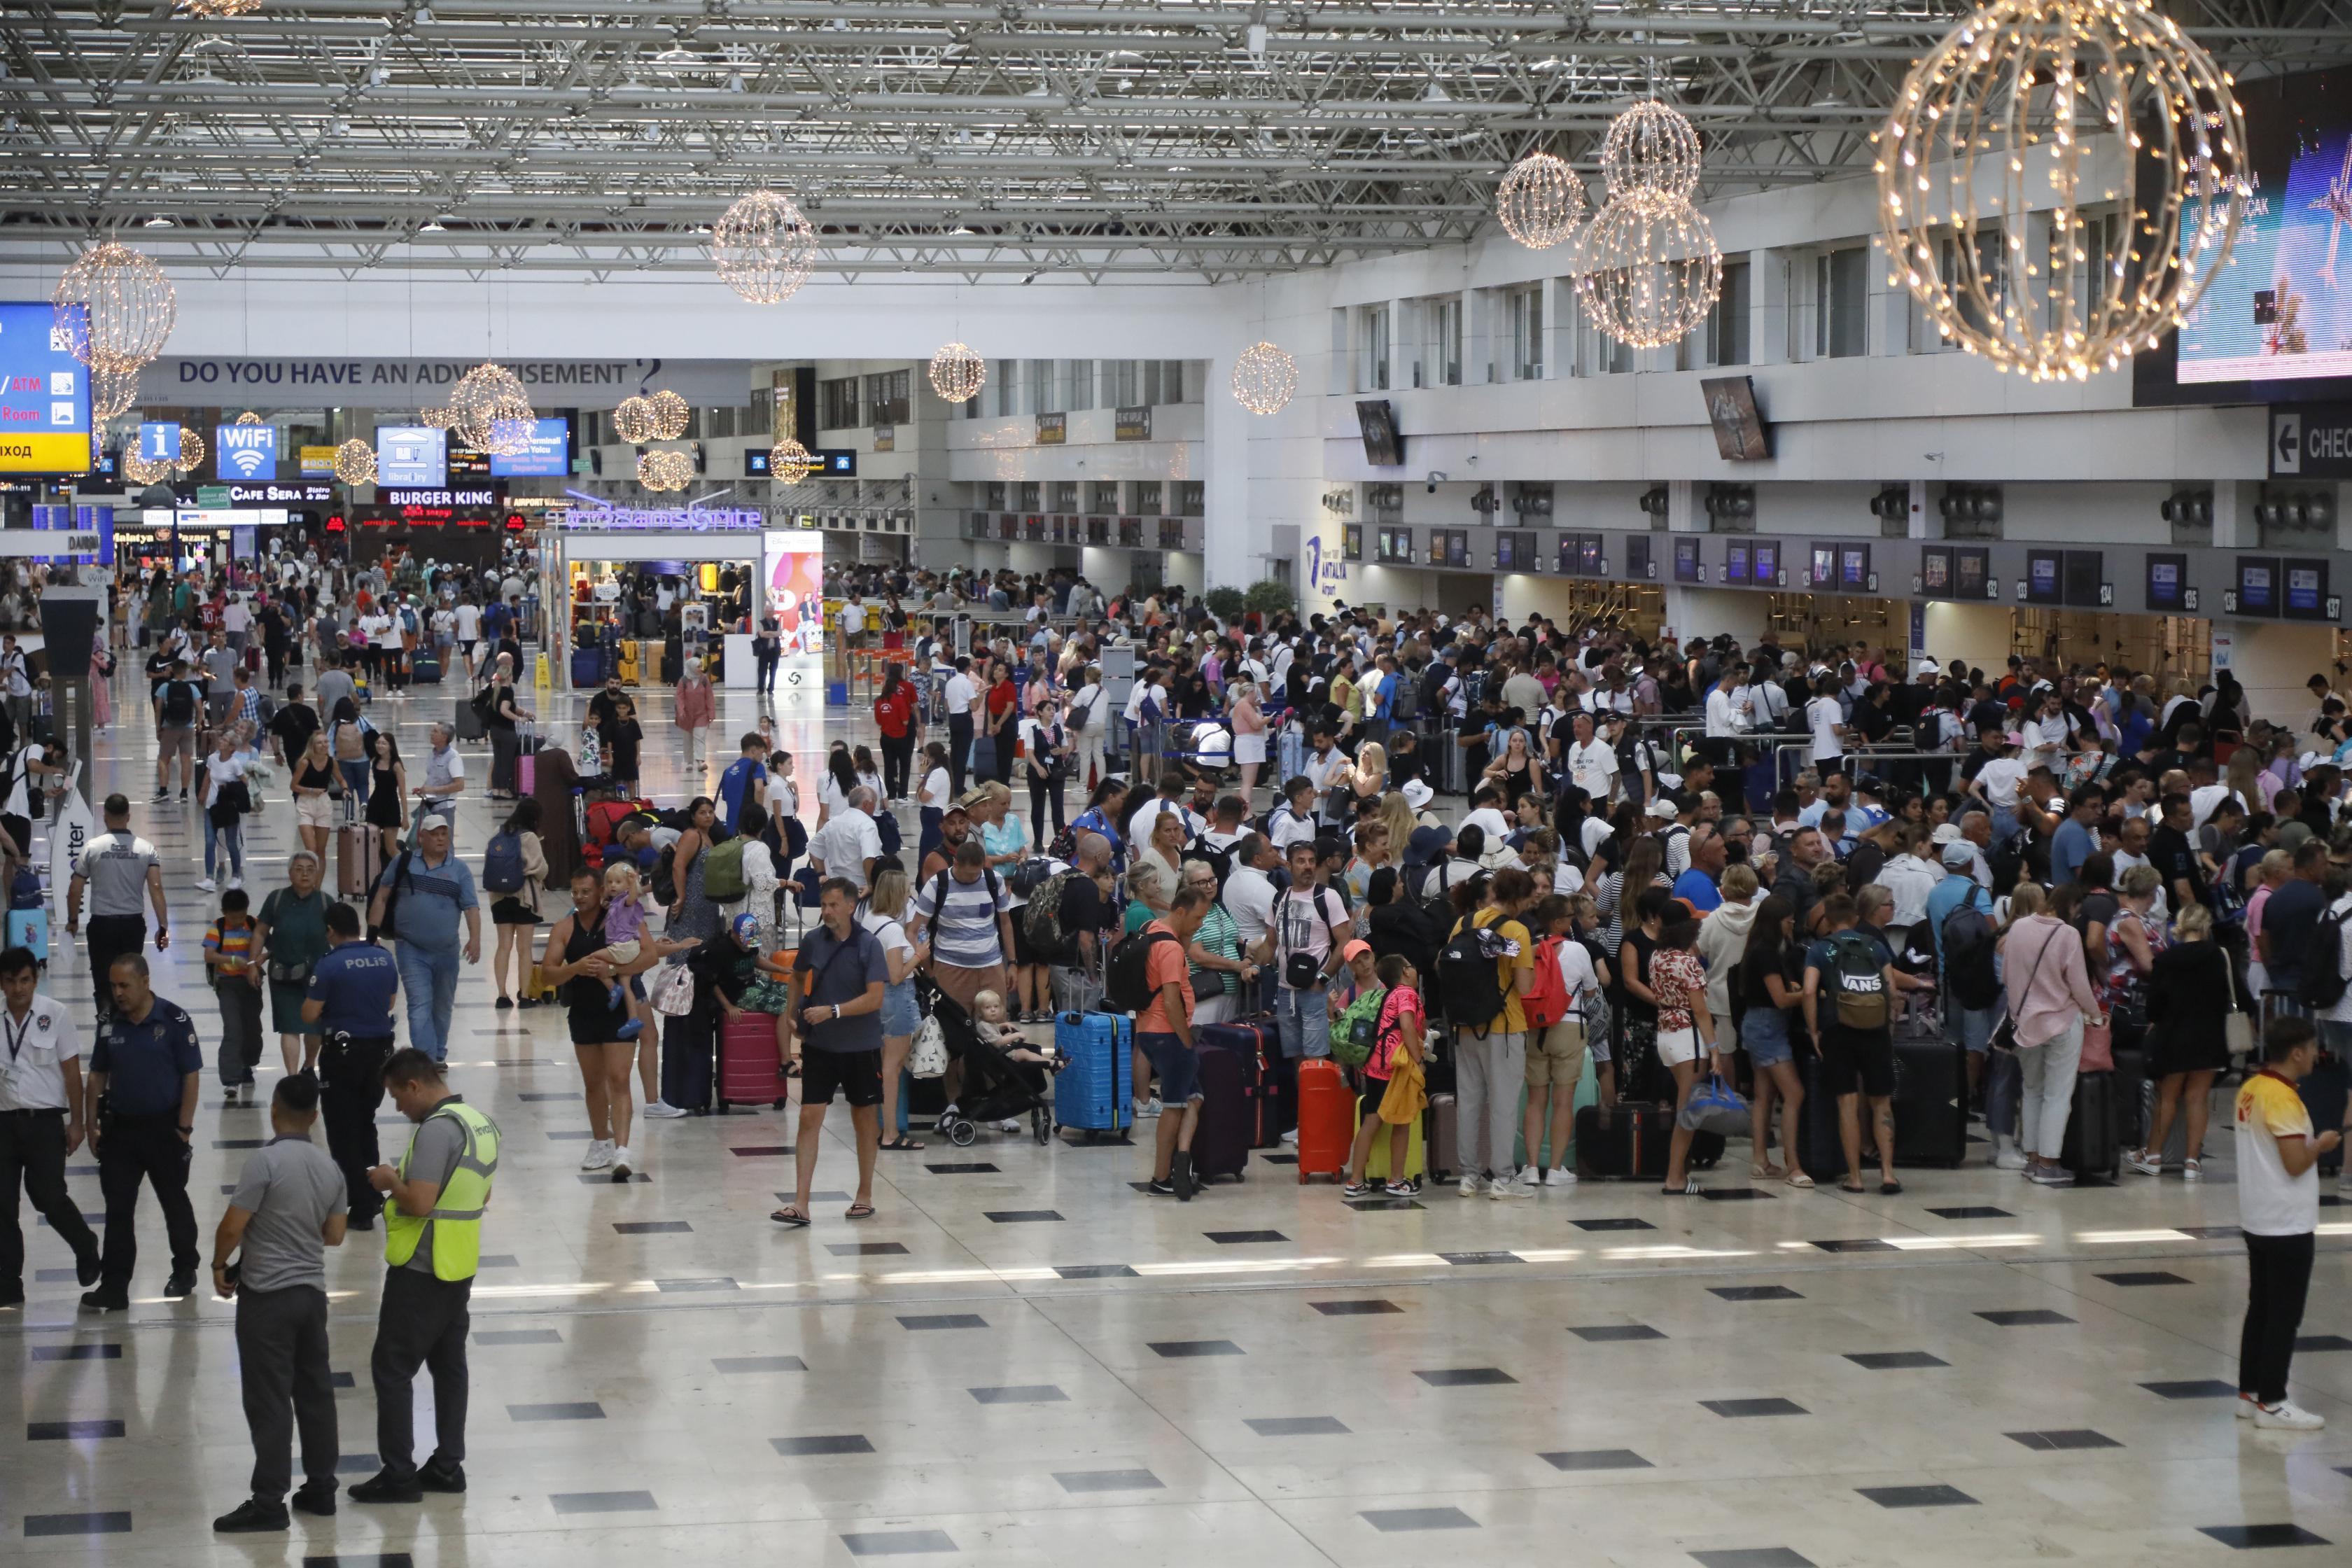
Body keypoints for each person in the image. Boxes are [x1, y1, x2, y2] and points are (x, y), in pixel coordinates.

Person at [348, 1049, 500, 1504]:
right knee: (448, 1366)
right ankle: (448, 1467)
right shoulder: (480, 1124)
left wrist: (388, 1180)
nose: (397, 1107)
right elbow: (480, 1193)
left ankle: (398, 1475)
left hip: (422, 1267)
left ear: (414, 1086)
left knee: (391, 1368)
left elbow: (420, 1203)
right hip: (458, 1265)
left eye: (397, 1096)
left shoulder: (437, 1131)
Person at [207, 1073, 348, 1534]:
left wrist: (218, 1263)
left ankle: (269, 1503)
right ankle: (322, 1490)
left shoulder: (263, 1163)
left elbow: (232, 1225)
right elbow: (335, 1236)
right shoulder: (331, 1168)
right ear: (315, 1116)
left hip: (266, 1298)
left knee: (269, 1400)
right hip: (311, 1296)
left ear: (274, 1109)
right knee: (315, 1394)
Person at [2232, 1015, 2338, 1430]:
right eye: (2313, 1048)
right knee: (2284, 1314)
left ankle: (2250, 1393)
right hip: (2287, 1223)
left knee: (2260, 1307)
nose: (2317, 1054)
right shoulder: (2284, 1099)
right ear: (2297, 1052)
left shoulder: (2251, 1088)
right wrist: (2322, 1145)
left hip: (2258, 1217)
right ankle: (2274, 1401)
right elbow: (2295, 1163)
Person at [81, 953, 202, 1310]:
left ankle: (184, 1268)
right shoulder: (109, 1022)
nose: (118, 993)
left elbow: (191, 1076)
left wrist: (183, 1129)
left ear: (145, 981)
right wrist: (91, 1125)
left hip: (164, 1129)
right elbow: (97, 1074)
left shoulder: (175, 1020)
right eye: (113, 985)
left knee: (173, 1202)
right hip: (121, 1131)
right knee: (118, 1209)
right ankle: (115, 1286)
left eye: (125, 985)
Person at [772, 879, 888, 1227]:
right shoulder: (813, 941)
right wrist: (792, 1013)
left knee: (864, 1120)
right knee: (809, 1117)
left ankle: (864, 1194)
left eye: (833, 905)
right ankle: (801, 1203)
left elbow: (875, 998)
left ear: (851, 906)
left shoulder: (869, 945)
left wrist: (832, 1011)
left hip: (861, 1046)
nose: (826, 912)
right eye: (823, 905)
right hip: (821, 1046)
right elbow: (797, 976)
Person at [0, 946, 102, 1306]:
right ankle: (9, 1281)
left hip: (44, 1123)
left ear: (35, 979)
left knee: (48, 1195)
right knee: (3, 1206)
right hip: (3, 1123)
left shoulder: (54, 1014)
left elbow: (72, 1072)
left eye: (25, 980)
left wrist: (78, 1122)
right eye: (11, 981)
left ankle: (84, 1244)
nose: (19, 989)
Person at [1997, 881, 2107, 1186]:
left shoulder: (2018, 928)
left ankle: (2032, 1159)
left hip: (2024, 1023)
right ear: (2073, 906)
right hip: (2062, 1021)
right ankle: (2049, 1163)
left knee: (2032, 1090)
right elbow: (2079, 984)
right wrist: (2095, 1015)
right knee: (2058, 1095)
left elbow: (2006, 974)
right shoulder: (2068, 934)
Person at [302, 900, 401, 1224]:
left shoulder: (329, 965)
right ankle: (371, 1191)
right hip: (380, 1054)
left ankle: (360, 1205)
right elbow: (389, 1002)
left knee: (343, 1131)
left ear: (330, 930)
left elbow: (310, 1014)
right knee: (365, 1122)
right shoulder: (384, 959)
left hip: (343, 1056)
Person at [1444, 867, 1539, 1196]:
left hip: (1465, 1025)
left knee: (1469, 1102)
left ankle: (1469, 1176)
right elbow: (1525, 987)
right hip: (1505, 1027)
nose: (1528, 907)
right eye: (1527, 901)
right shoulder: (1517, 932)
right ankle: (1503, 1178)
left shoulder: (1463, 923)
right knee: (1503, 1104)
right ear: (1516, 899)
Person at [1250, 840, 1352, 1140]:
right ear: (1290, 865)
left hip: (1315, 991)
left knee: (1317, 1058)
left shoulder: (1328, 897)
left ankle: (1322, 1123)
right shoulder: (1280, 898)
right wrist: (1251, 964)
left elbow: (1344, 941)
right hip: (1286, 991)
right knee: (1296, 1059)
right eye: (1301, 861)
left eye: (1311, 861)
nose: (1307, 866)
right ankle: (1307, 1120)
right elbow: (1270, 944)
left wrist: (1323, 976)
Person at [2131, 902, 2237, 1180]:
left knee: (2167, 1098)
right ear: (2206, 926)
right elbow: (2234, 995)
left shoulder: (2166, 960)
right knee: (2198, 1098)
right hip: (2210, 1035)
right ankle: (2192, 1162)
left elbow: (2154, 1006)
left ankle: (2153, 1155)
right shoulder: (2218, 956)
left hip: (2174, 1035)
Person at [366, 815, 481, 1064]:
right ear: (422, 837)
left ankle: (438, 1052)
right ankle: (426, 1061)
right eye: (435, 834)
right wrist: (372, 936)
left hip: (447, 952)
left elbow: (471, 907)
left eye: (444, 834)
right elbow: (382, 897)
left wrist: (475, 938)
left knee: (442, 1007)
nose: (441, 838)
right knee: (419, 1007)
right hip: (411, 948)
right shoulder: (404, 863)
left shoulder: (459, 870)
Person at [66, 792, 169, 1023]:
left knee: (104, 981)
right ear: (129, 817)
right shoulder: (146, 849)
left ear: (105, 817)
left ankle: (106, 1026)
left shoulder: (92, 848)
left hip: (102, 925)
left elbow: (75, 889)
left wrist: (73, 920)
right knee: (129, 979)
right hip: (133, 924)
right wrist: (163, 927)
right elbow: (156, 888)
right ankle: (130, 1027)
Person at [1137, 886, 1211, 1198]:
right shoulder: (1170, 949)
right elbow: (1171, 1002)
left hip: (1149, 1029)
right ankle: (1161, 1177)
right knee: (1175, 1105)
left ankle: (1183, 1160)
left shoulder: (1150, 928)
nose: (1199, 924)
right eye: (1196, 917)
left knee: (1193, 1097)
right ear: (1180, 911)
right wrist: (1186, 1039)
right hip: (1168, 1033)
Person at [1737, 893, 1812, 1186]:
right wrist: (1808, 994)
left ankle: (1760, 1161)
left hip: (1757, 1024)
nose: (1791, 926)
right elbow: (1781, 999)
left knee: (1765, 1095)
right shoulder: (1767, 952)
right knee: (1794, 1094)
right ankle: (1793, 1165)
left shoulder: (1758, 948)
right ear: (1776, 922)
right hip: (1768, 1027)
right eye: (1788, 921)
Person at [909, 837, 1015, 1017]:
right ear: (955, 863)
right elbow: (916, 930)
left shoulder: (994, 881)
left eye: (978, 873)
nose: (974, 878)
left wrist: (1012, 963)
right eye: (969, 874)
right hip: (950, 969)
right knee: (954, 1029)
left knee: (995, 1028)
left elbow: (1006, 922)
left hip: (991, 966)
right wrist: (928, 971)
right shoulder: (937, 885)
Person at [486, 797, 549, 1009]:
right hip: (524, 897)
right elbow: (541, 869)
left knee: (503, 945)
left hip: (499, 897)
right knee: (524, 948)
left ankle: (502, 995)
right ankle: (524, 996)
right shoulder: (529, 837)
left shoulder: (498, 832)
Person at [205, 888, 267, 1102]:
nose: (239, 921)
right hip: (228, 985)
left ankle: (247, 1065)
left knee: (252, 1029)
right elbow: (210, 955)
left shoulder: (255, 924)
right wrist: (233, 961)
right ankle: (231, 1079)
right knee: (233, 1029)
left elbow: (272, 945)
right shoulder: (218, 927)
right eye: (234, 917)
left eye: (242, 916)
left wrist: (262, 958)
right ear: (224, 912)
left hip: (252, 984)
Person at [198, 727, 250, 892]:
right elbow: (208, 775)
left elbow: (245, 783)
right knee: (209, 842)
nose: (221, 742)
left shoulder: (235, 764)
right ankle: (209, 878)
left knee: (230, 842)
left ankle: (236, 876)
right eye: (221, 739)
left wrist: (229, 787)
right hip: (211, 806)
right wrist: (203, 792)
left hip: (228, 808)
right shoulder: (213, 758)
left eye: (225, 741)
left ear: (232, 747)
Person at [408, 722, 468, 846]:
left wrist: (432, 790)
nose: (431, 733)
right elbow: (433, 777)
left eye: (435, 731)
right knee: (429, 843)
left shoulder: (453, 758)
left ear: (444, 737)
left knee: (444, 844)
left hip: (444, 808)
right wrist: (423, 789)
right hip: (429, 806)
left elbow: (459, 785)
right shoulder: (432, 754)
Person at [289, 729, 338, 861]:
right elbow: (293, 786)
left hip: (324, 803)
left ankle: (318, 882)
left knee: (321, 851)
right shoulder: (305, 762)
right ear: (313, 746)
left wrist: (345, 789)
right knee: (311, 850)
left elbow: (341, 779)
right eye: (319, 743)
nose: (323, 745)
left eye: (326, 742)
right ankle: (310, 881)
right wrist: (311, 790)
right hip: (305, 803)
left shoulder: (332, 762)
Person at [365, 728, 408, 865]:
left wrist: (405, 817)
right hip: (375, 805)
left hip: (391, 806)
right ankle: (376, 875)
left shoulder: (396, 765)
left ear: (391, 746)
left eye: (384, 743)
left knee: (391, 848)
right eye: (378, 743)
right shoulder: (375, 761)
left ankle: (404, 871)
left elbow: (402, 792)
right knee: (373, 846)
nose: (380, 746)